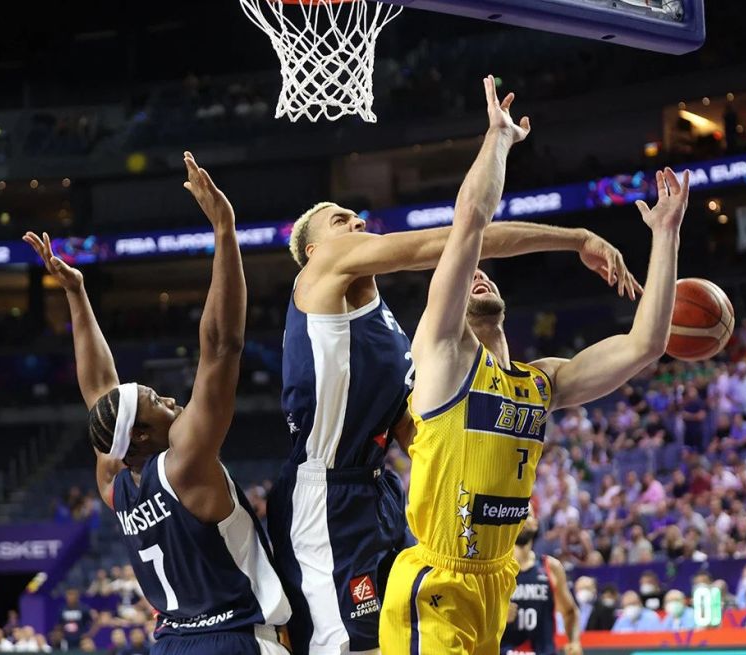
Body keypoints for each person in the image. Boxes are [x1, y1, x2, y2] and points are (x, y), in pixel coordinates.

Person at [276, 90, 638, 655]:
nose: (356, 221)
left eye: (355, 215)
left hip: (377, 491)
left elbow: (411, 426)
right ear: (314, 248)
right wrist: (575, 239)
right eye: (340, 219)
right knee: (345, 648)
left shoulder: (388, 325)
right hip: (324, 492)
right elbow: (465, 237)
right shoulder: (323, 268)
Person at [378, 77, 688, 654]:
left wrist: (665, 236)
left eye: (483, 276)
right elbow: (469, 226)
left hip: (497, 579)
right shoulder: (443, 354)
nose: (476, 275)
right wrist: (497, 141)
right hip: (436, 583)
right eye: (466, 276)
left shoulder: (539, 381)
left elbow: (645, 344)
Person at [22, 152, 291, 654]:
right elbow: (222, 346)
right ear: (143, 435)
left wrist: (77, 297)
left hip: (168, 644)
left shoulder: (114, 480)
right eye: (157, 402)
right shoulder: (185, 462)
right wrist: (224, 231)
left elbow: (101, 395)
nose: (169, 399)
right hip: (231, 639)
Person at [500, 509, 582, 655]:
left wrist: (574, 641)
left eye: (527, 515)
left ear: (536, 524)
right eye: (517, 515)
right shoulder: (495, 569)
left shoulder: (551, 566)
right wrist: (497, 617)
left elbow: (570, 611)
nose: (522, 520)